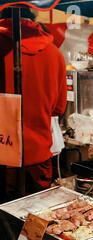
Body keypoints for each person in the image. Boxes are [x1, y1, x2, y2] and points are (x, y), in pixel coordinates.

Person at [0, 8, 67, 201]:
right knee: (32, 227)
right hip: (38, 161)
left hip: (3, 160)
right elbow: (58, 108)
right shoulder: (54, 53)